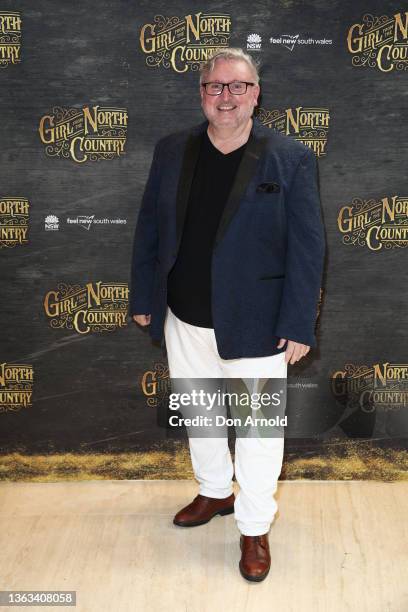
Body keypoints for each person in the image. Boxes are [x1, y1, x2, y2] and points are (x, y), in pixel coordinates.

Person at [129, 48, 325, 582]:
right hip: (184, 314)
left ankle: (255, 525)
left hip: (258, 323)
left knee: (260, 431)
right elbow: (150, 226)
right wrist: (144, 297)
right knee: (202, 415)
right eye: (215, 87)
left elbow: (308, 249)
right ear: (201, 94)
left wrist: (298, 323)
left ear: (256, 94)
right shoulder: (172, 150)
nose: (226, 96)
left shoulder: (291, 157)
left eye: (238, 87)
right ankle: (215, 492)